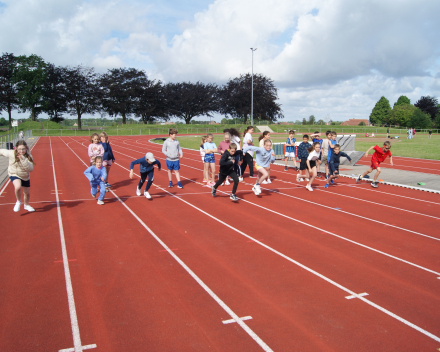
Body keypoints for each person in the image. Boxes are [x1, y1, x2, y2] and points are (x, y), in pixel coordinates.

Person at [0, 140, 35, 212]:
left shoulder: (29, 156)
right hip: (14, 173)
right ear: (16, 148)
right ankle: (18, 201)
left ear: (26, 148)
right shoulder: (11, 153)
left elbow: (30, 169)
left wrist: (23, 159)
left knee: (27, 193)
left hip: (25, 176)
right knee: (18, 186)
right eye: (19, 149)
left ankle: (26, 205)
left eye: (23, 149)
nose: (21, 151)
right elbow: (2, 152)